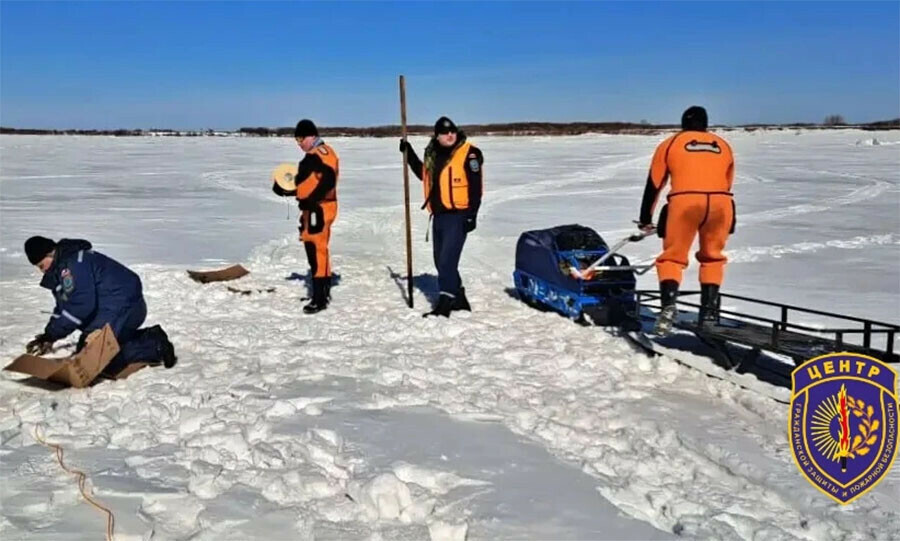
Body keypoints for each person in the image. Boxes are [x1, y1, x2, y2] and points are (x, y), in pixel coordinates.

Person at [637, 106, 735, 335]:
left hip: (684, 203)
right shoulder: (722, 145)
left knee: (672, 257)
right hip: (722, 204)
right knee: (712, 258)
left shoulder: (671, 143)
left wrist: (645, 218)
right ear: (706, 123)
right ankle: (709, 311)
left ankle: (668, 306)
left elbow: (654, 182)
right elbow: (727, 181)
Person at [23, 236, 177, 375]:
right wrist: (48, 335)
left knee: (96, 363)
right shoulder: (62, 269)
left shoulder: (75, 264)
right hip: (108, 309)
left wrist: (52, 335)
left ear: (50, 253)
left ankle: (155, 346)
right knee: (85, 352)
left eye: (42, 265)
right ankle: (148, 336)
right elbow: (64, 307)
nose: (42, 271)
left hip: (124, 307)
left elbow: (80, 306)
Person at [399, 117, 484, 317]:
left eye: (452, 131)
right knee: (441, 261)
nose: (450, 135)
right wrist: (408, 153)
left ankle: (445, 304)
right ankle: (460, 298)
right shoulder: (434, 155)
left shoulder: (469, 153)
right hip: (439, 216)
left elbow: (475, 187)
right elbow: (424, 175)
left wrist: (472, 214)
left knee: (447, 261)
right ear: (437, 136)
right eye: (445, 133)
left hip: (458, 215)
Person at [272, 119, 339, 314]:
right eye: (296, 139)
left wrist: (312, 201)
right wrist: (287, 190)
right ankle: (321, 294)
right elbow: (309, 182)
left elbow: (328, 180)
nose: (299, 142)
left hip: (320, 209)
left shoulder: (323, 154)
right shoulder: (313, 155)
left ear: (311, 136)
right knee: (316, 250)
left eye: (301, 138)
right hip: (314, 208)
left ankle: (319, 299)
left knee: (316, 250)